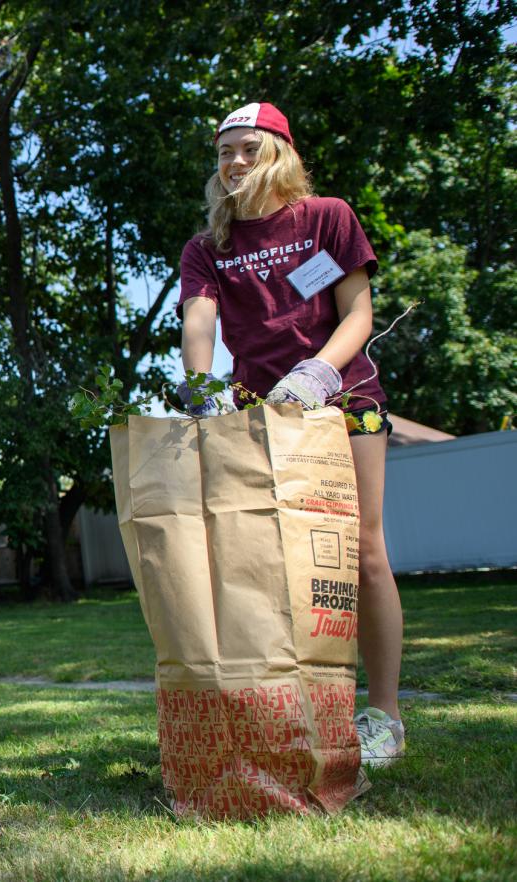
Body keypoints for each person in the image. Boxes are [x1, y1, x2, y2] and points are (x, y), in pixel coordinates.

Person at [177, 102, 407, 768]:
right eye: (224, 152)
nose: (235, 162)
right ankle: (300, 710)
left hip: (344, 398)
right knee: (276, 567)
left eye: (249, 148)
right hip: (260, 413)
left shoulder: (328, 217)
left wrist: (317, 372)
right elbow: (200, 322)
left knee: (361, 552)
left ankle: (385, 716)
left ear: (279, 151)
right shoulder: (207, 247)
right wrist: (201, 391)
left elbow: (358, 314)